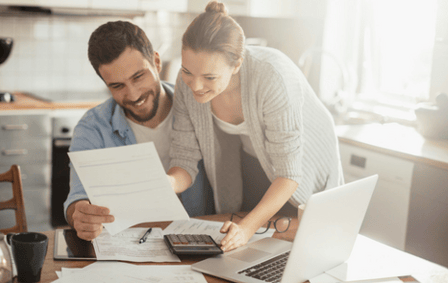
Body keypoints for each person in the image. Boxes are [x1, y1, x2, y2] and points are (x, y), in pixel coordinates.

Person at [167, 1, 344, 252]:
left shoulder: (273, 77)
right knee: (252, 242)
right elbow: (184, 158)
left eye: (209, 77)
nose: (194, 86)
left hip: (305, 158)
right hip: (255, 153)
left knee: (301, 237)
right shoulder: (187, 83)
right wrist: (167, 183)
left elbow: (289, 174)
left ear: (236, 65)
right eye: (187, 71)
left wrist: (247, 228)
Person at [64, 21, 213, 241]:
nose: (133, 95)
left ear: (157, 61)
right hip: (131, 245)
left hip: (201, 241)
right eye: (117, 86)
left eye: (138, 77)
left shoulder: (198, 106)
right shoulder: (92, 127)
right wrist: (81, 215)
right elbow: (77, 198)